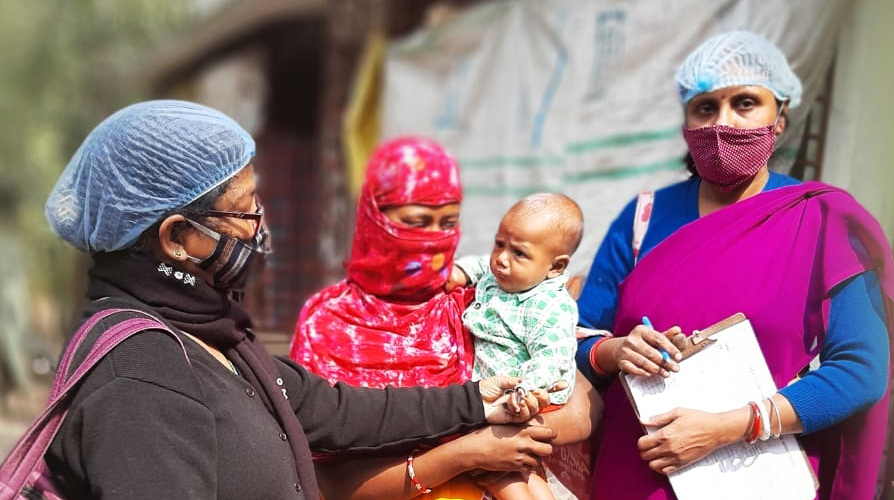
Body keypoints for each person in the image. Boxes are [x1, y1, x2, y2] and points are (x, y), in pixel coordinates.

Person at [39, 100, 548, 500]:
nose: (261, 224)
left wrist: (477, 400)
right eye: (246, 209)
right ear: (178, 238)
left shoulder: (210, 335)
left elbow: (331, 408)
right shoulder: (140, 384)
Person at [572, 32, 894, 500]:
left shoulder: (821, 221)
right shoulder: (643, 219)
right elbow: (577, 336)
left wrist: (729, 427)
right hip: (632, 477)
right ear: (687, 120)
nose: (722, 124)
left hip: (755, 477)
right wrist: (615, 351)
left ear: (781, 116)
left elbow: (861, 369)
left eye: (746, 103)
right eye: (705, 107)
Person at [292, 137, 602, 500]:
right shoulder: (329, 322)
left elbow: (583, 408)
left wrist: (509, 427)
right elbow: (326, 483)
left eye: (448, 223)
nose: (433, 241)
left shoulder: (475, 302)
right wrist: (465, 452)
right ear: (374, 219)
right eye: (418, 222)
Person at [451, 193, 586, 500]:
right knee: (523, 471)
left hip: (531, 392)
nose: (501, 258)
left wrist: (525, 390)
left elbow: (552, 358)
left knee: (497, 470)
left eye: (519, 253)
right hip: (506, 390)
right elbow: (478, 266)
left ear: (555, 267)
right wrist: (459, 273)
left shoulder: (549, 306)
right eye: (499, 244)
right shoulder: (501, 276)